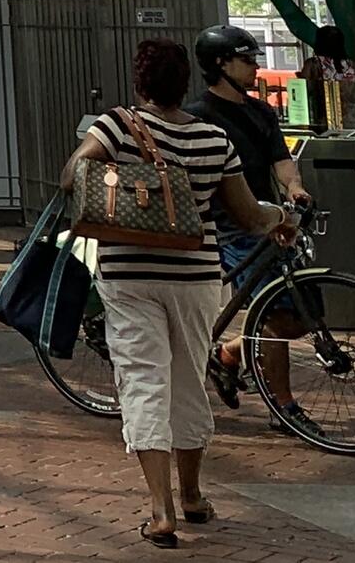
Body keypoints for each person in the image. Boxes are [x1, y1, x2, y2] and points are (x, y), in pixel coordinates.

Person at [66, 38, 297, 548]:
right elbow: (249, 216)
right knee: (188, 381)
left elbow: (73, 176)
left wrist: (124, 183)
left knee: (144, 381)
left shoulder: (117, 126)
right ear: (184, 84)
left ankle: (160, 509)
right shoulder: (214, 139)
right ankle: (192, 495)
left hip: (127, 274)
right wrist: (283, 218)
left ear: (138, 82)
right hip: (195, 277)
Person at [189, 22, 314, 416]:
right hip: (228, 230)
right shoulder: (199, 116)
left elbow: (281, 160)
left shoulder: (260, 110)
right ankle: (286, 407)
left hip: (268, 223)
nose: (254, 67)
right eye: (246, 60)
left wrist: (295, 189)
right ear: (220, 64)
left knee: (298, 319)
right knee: (277, 319)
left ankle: (228, 354)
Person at [299, 24, 355, 130]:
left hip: (324, 121)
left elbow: (302, 92)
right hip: (352, 120)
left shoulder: (314, 64)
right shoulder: (351, 65)